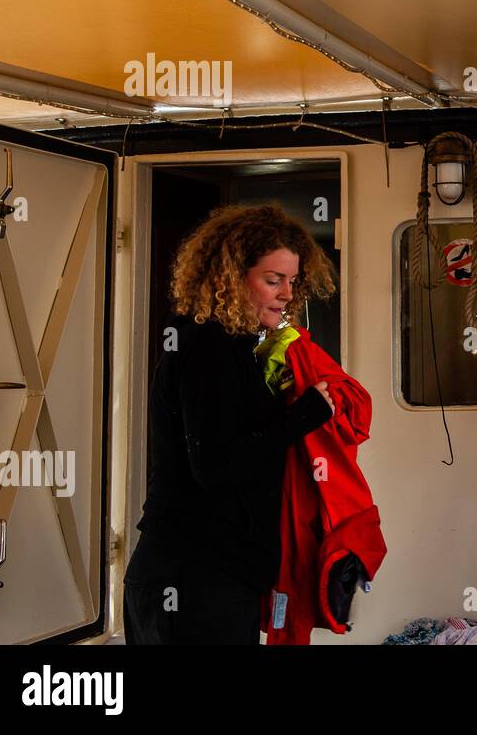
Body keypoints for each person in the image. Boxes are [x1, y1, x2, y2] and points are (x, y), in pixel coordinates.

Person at [123, 203, 339, 644]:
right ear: (229, 278)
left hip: (207, 576)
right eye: (272, 280)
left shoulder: (227, 345)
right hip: (193, 579)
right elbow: (217, 468)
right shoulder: (207, 347)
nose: (286, 294)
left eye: (292, 281)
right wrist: (303, 415)